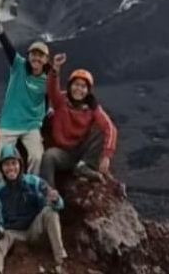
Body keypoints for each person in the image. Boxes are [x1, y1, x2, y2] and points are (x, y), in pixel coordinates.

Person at [0, 144, 67, 274]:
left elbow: (59, 205)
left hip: (33, 230)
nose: (11, 168)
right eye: (6, 164)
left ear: (20, 165)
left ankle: (60, 261)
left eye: (13, 163)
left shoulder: (34, 182)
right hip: (13, 234)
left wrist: (56, 200)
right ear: (1, 168)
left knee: (51, 212)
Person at [0, 11, 49, 179]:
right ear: (28, 56)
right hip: (9, 123)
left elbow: (50, 99)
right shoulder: (18, 66)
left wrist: (44, 116)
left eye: (41, 55)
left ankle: (30, 186)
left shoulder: (47, 80)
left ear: (46, 60)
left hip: (31, 125)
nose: (36, 58)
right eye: (33, 54)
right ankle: (3, 189)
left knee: (37, 156)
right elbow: (7, 47)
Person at [40, 53, 117, 188]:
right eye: (76, 84)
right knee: (48, 156)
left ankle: (84, 166)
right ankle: (49, 199)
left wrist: (106, 156)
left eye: (83, 86)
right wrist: (55, 68)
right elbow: (51, 89)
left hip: (83, 149)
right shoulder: (60, 100)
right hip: (64, 153)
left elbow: (110, 128)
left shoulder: (93, 107)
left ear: (88, 90)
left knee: (101, 129)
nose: (79, 89)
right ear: (70, 86)